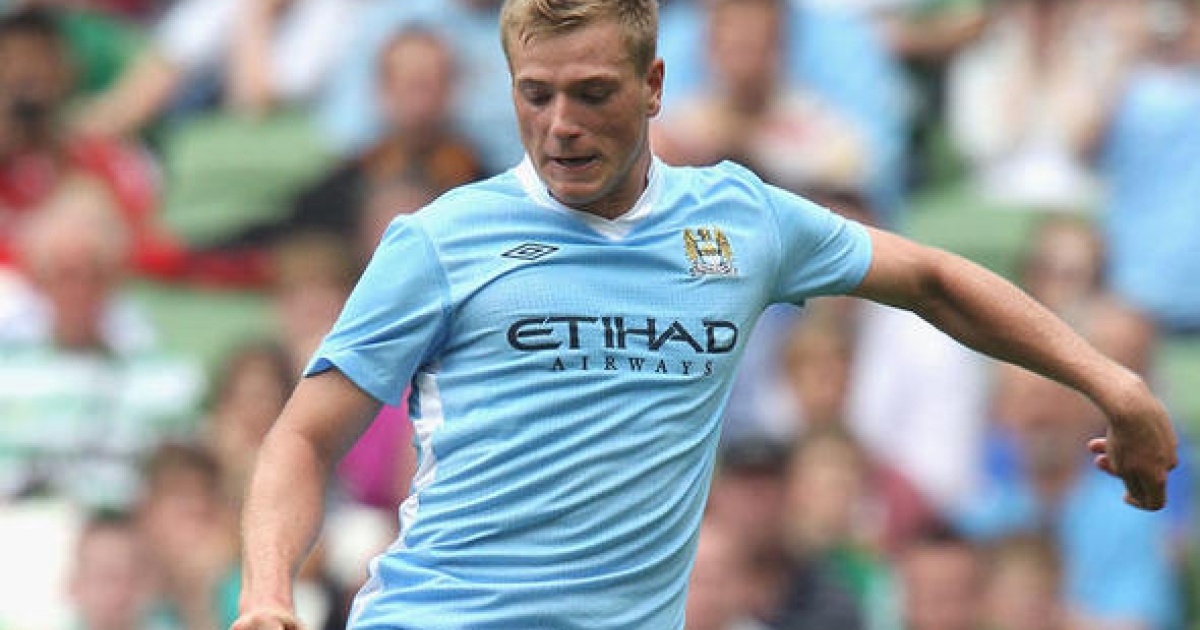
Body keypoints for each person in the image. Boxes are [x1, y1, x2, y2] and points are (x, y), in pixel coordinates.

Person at [232, 2, 1179, 629]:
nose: (561, 123)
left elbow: (933, 279)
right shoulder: (440, 240)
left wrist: (1114, 385)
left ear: (653, 87)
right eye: (536, 95)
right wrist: (267, 595)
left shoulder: (739, 221)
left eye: (593, 93)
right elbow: (302, 439)